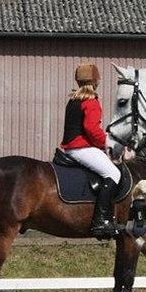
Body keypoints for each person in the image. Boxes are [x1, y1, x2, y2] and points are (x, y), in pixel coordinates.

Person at [60, 63, 120, 239]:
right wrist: (106, 143)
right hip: (81, 148)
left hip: (70, 148)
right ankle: (101, 220)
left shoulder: (73, 99)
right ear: (95, 81)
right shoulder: (91, 101)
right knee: (113, 174)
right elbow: (91, 129)